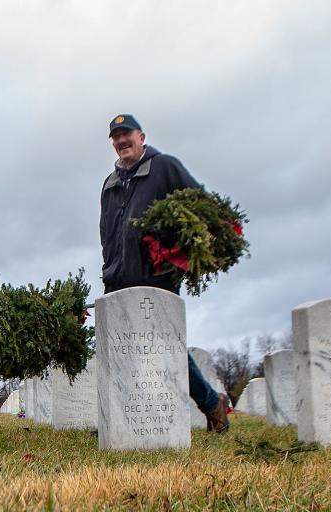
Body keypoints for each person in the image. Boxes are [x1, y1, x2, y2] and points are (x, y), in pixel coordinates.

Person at [99, 114, 230, 433]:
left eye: (126, 133)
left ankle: (212, 405)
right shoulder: (110, 183)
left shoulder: (165, 167)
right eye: (116, 137)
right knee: (120, 348)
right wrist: (109, 266)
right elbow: (106, 230)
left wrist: (173, 250)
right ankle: (119, 416)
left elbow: (201, 208)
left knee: (166, 347)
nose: (121, 141)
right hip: (118, 277)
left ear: (141, 136)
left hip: (156, 276)